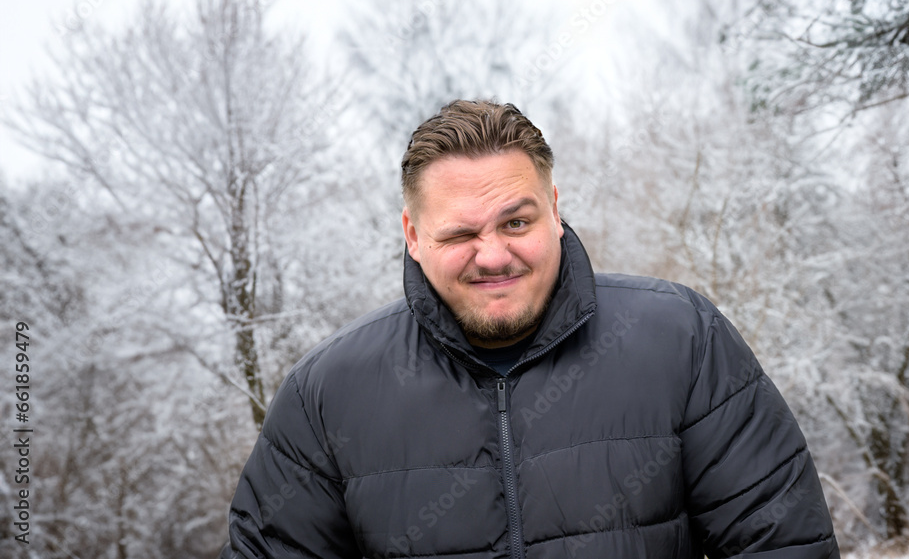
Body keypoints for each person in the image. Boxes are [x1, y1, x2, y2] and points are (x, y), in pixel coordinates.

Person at [220, 99, 840, 558]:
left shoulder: (683, 341)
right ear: (412, 236)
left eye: (515, 222)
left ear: (555, 211)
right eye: (460, 233)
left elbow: (782, 544)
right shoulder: (327, 395)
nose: (492, 255)